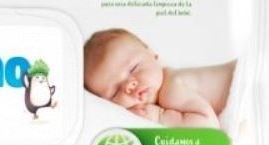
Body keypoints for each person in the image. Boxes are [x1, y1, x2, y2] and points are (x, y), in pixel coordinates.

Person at [83, 28, 235, 129]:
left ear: (152, 54)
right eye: (115, 91)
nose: (130, 85)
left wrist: (160, 117)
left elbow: (209, 128)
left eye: (134, 68)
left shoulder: (172, 87)